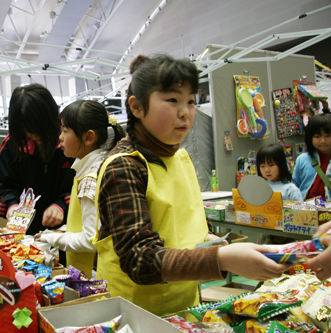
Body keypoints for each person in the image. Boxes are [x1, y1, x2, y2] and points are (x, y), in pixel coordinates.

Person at [92, 54, 290, 316]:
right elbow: (140, 260)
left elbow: (187, 225)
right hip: (136, 314)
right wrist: (223, 259)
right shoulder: (125, 166)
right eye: (172, 100)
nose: (185, 112)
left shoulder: (180, 157)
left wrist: (218, 243)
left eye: (191, 101)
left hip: (183, 307)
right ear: (137, 107)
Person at [37, 100, 125, 277]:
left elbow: (90, 240)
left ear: (88, 137)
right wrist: (60, 230)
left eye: (65, 131)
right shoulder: (93, 167)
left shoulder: (89, 178)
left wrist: (50, 238)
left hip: (91, 273)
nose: (60, 137)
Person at [0, 84, 76, 237]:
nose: (33, 134)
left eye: (39, 128)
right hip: (27, 231)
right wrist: (12, 206)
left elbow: (82, 182)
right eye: (27, 128)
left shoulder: (71, 139)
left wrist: (61, 205)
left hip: (68, 230)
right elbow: (5, 184)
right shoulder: (12, 144)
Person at [293, 112, 331, 201]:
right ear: (310, 138)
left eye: (328, 136)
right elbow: (295, 186)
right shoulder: (302, 159)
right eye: (317, 136)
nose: (323, 141)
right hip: (306, 210)